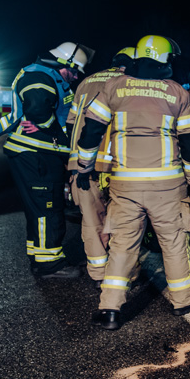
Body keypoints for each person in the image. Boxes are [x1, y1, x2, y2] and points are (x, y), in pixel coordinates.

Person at [76, 35, 190, 330]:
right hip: (168, 187)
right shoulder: (177, 94)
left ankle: (109, 310)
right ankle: (184, 301)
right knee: (173, 242)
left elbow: (91, 131)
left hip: (125, 186)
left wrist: (84, 167)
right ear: (162, 59)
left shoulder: (114, 88)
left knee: (122, 245)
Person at [1, 42, 94, 279]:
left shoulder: (45, 75)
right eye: (74, 71)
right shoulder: (40, 76)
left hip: (35, 154)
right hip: (36, 153)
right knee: (47, 206)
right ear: (65, 63)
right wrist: (54, 132)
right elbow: (39, 110)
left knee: (39, 208)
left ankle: (39, 257)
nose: (74, 77)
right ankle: (50, 264)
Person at [67, 47, 135, 288]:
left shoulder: (85, 82)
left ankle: (98, 274)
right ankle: (123, 274)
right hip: (115, 164)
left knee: (91, 219)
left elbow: (72, 123)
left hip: (80, 163)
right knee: (123, 220)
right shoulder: (128, 83)